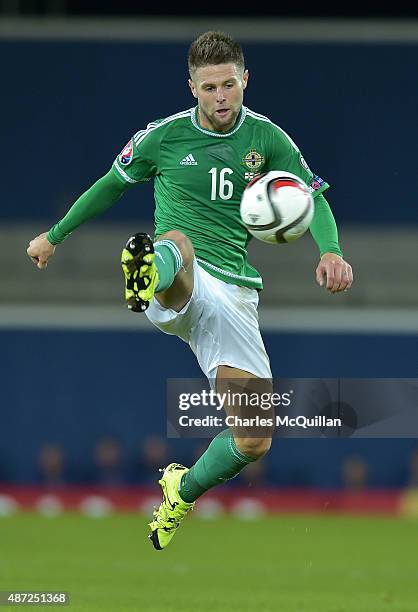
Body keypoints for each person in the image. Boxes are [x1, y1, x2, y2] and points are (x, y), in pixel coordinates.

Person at [27, 31, 353, 550]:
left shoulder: (268, 140)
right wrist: (55, 234)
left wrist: (330, 250)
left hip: (235, 296)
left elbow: (313, 199)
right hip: (179, 279)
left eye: (229, 84)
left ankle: (182, 489)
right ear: (192, 87)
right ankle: (146, 271)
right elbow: (110, 184)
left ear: (245, 80)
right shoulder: (163, 137)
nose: (221, 96)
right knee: (176, 241)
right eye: (209, 87)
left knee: (254, 438)